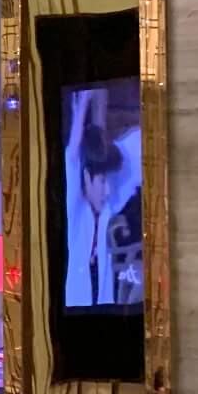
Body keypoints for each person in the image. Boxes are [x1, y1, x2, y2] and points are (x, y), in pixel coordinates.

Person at [64, 87, 142, 308]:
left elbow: (131, 156)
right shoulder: (76, 211)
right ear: (87, 178)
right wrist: (81, 108)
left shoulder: (109, 205)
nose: (107, 190)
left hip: (105, 306)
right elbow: (72, 157)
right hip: (77, 307)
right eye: (101, 182)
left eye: (108, 182)